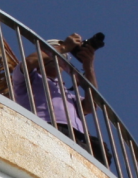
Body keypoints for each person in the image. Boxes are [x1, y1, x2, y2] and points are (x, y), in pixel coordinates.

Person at [10, 31, 109, 164]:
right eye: (52, 54)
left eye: (62, 57)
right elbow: (29, 61)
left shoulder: (67, 93)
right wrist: (64, 47)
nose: (56, 59)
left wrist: (88, 66)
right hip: (45, 127)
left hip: (76, 136)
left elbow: (91, 106)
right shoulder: (28, 78)